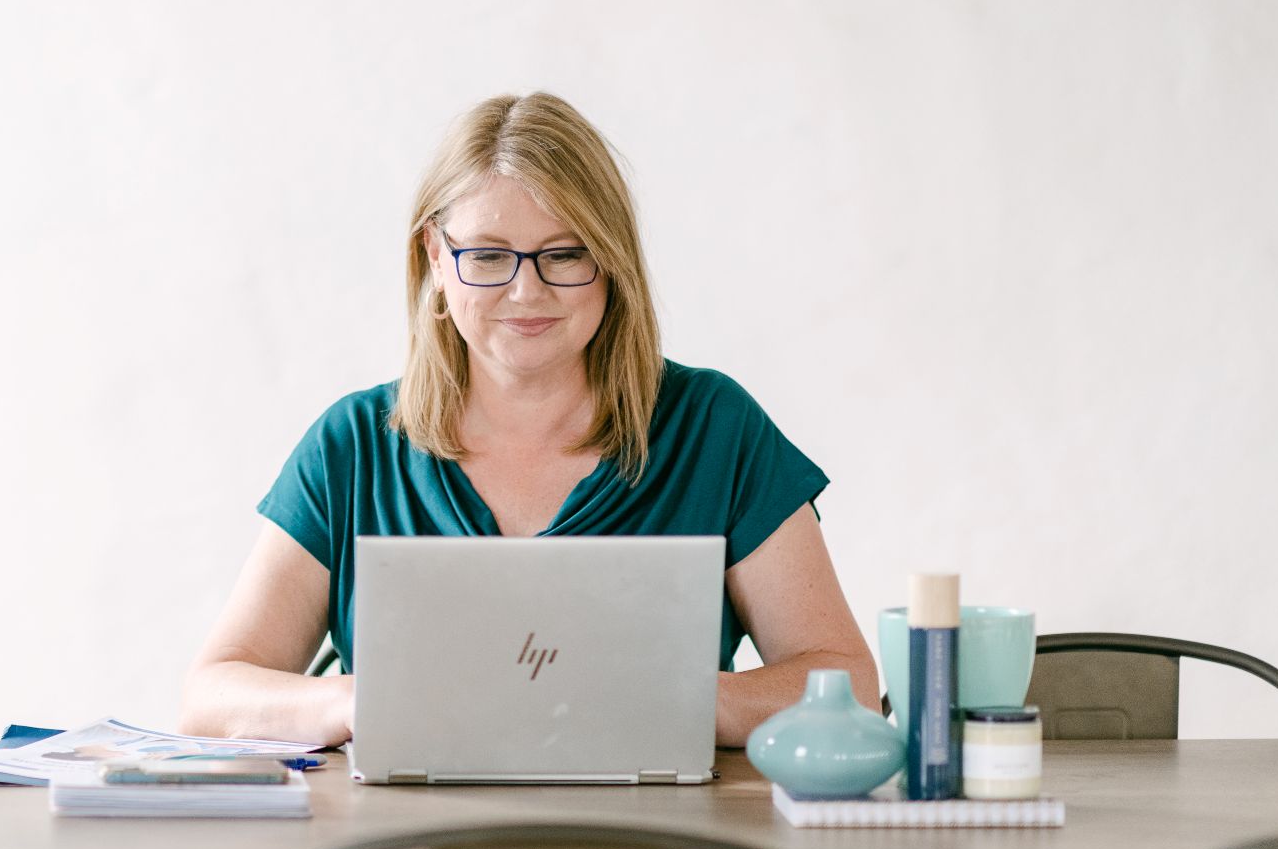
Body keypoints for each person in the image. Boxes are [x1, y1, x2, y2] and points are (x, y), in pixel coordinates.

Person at [180, 92, 878, 749]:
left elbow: (851, 682)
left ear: (610, 259)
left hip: (663, 848)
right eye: (486, 255)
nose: (526, 290)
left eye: (564, 253)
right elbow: (210, 696)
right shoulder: (354, 445)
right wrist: (358, 701)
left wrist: (682, 698)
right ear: (434, 257)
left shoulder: (716, 429)